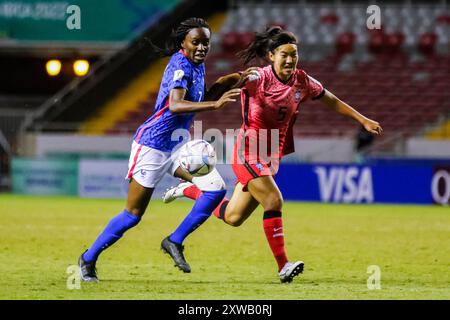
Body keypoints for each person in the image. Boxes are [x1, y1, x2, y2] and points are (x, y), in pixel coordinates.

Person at [163, 26, 383, 283]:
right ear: (270, 56)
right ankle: (283, 266)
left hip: (270, 155)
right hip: (248, 151)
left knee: (233, 217)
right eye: (284, 55)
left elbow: (330, 99)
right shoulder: (259, 78)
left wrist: (362, 119)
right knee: (274, 201)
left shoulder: (302, 80)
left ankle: (188, 190)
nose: (290, 59)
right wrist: (215, 92)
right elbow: (228, 82)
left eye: (294, 54)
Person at [78, 17, 251, 282]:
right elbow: (175, 105)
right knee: (132, 215)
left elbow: (200, 98)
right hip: (152, 146)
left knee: (215, 190)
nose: (202, 47)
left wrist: (231, 79)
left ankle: (174, 240)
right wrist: (215, 107)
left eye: (206, 42)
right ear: (183, 42)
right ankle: (88, 259)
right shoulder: (179, 64)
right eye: (197, 42)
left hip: (177, 145)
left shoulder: (198, 64)